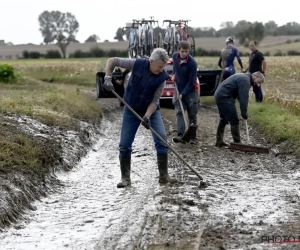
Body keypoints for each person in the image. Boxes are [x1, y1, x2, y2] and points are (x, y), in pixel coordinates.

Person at [103, 48, 178, 188]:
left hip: (151, 111)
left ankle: (164, 176)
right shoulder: (136, 64)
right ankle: (125, 179)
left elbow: (155, 101)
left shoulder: (162, 78)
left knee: (162, 139)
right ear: (151, 62)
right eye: (160, 67)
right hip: (131, 109)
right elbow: (111, 61)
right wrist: (108, 77)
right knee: (124, 144)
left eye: (164, 67)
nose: (162, 70)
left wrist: (147, 116)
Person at [214, 72, 265, 147]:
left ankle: (219, 141)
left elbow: (239, 94)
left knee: (224, 119)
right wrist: (244, 113)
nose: (257, 84)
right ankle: (237, 143)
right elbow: (243, 98)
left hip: (219, 95)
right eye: (258, 81)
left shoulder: (244, 77)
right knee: (234, 120)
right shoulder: (245, 81)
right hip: (225, 97)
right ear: (255, 76)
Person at [171, 41, 198, 144]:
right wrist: (174, 74)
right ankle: (180, 135)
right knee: (179, 112)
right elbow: (175, 67)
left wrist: (183, 93)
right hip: (178, 88)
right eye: (182, 51)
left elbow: (192, 81)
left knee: (192, 113)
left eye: (186, 52)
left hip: (191, 91)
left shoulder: (192, 63)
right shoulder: (174, 56)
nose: (184, 54)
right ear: (178, 50)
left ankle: (192, 137)